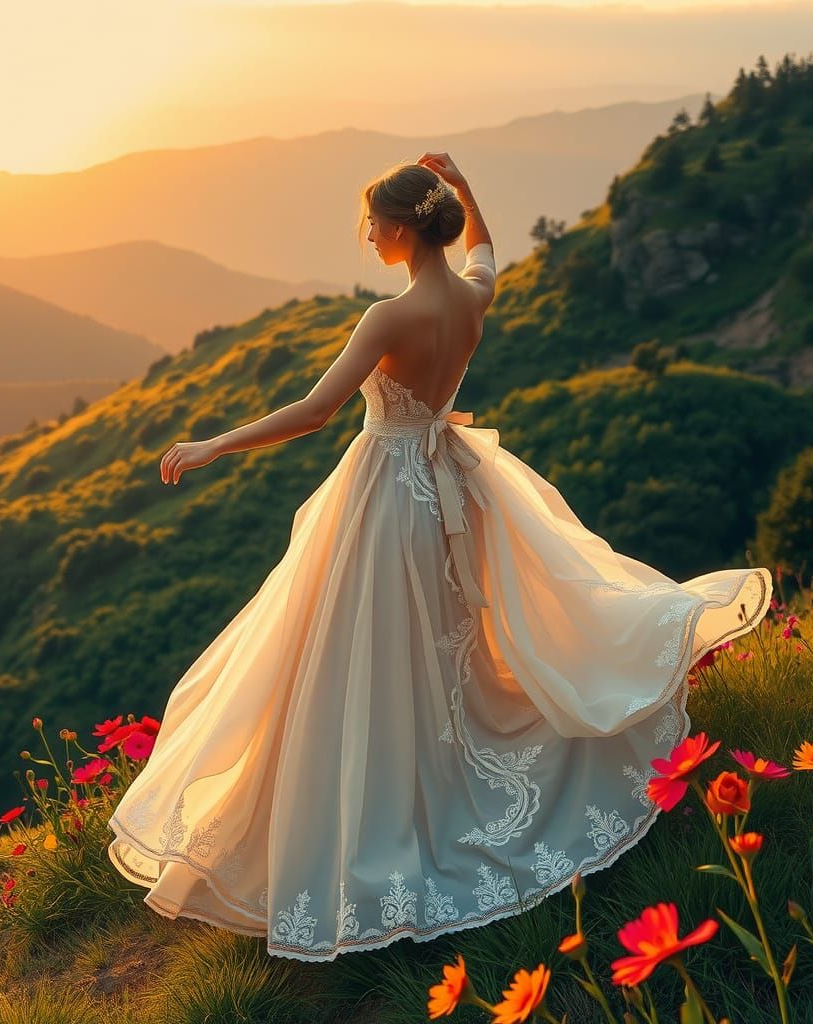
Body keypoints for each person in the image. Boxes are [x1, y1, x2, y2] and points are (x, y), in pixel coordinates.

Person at [106, 153, 772, 963]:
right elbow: (489, 253)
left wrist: (216, 443)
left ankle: (387, 814)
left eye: (371, 222)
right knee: (441, 651)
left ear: (395, 229)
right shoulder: (470, 296)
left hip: (387, 498)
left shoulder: (388, 318)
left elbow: (317, 411)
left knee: (373, 656)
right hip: (449, 490)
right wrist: (467, 190)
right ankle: (435, 778)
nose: (366, 233)